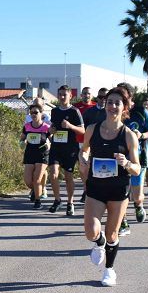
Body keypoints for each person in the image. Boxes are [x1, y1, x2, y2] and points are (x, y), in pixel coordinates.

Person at [79, 86, 141, 286]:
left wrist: (127, 164)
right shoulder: (92, 129)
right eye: (110, 102)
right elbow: (84, 150)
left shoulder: (129, 135)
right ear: (105, 104)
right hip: (96, 187)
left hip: (118, 189)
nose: (113, 106)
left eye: (117, 103)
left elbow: (137, 169)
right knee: (91, 231)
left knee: (113, 232)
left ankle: (109, 270)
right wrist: (83, 158)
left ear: (124, 108)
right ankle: (99, 242)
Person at [117, 82, 148, 230]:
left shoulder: (141, 111)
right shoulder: (115, 111)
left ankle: (139, 205)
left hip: (139, 159)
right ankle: (123, 222)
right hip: (119, 159)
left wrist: (141, 134)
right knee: (122, 193)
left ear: (130, 96)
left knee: (137, 195)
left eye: (123, 94)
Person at [47, 85, 85, 216]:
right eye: (60, 94)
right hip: (56, 147)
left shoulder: (75, 111)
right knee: (53, 174)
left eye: (64, 94)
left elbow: (82, 130)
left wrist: (70, 126)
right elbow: (52, 127)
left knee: (69, 177)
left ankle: (70, 202)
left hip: (70, 149)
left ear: (70, 96)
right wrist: (51, 131)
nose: (62, 97)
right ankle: (57, 200)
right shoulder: (55, 111)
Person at [22, 108, 52, 209]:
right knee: (28, 180)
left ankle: (38, 200)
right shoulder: (27, 126)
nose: (33, 115)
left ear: (41, 114)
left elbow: (53, 140)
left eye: (36, 112)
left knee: (37, 178)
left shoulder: (46, 127)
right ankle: (36, 190)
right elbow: (22, 138)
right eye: (31, 113)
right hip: (29, 154)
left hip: (42, 154)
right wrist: (22, 142)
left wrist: (49, 144)